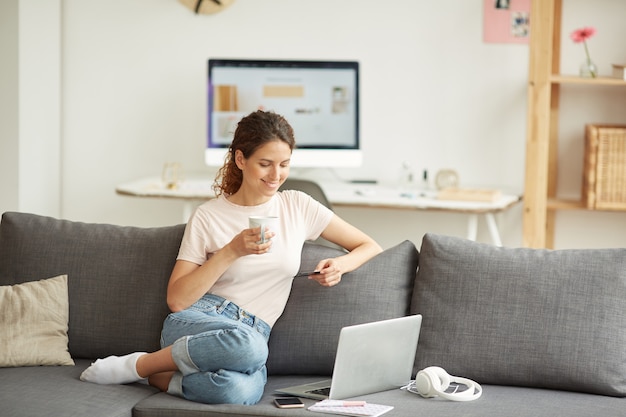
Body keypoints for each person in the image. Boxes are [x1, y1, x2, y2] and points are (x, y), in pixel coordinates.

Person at [80, 110, 382, 405]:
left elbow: (368, 245)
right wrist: (231, 251)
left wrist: (339, 266)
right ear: (241, 159)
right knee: (251, 348)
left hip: (252, 333)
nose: (276, 175)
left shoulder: (298, 206)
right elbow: (178, 300)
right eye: (265, 164)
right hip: (200, 319)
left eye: (284, 164)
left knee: (239, 392)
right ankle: (140, 365)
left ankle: (160, 378)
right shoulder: (208, 216)